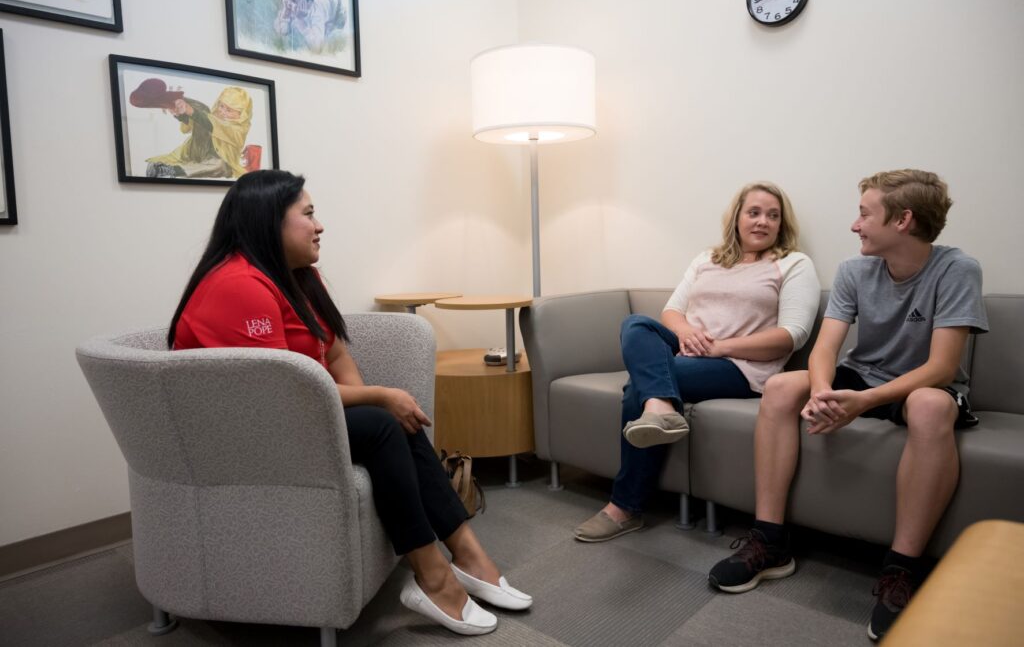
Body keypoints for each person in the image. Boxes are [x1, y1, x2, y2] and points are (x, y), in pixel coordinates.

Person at [168, 170, 531, 636]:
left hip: (286, 415)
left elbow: (335, 354)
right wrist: (379, 398)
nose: (319, 226)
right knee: (384, 423)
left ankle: (468, 556)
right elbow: (282, 390)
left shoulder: (297, 276)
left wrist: (372, 402)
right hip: (237, 435)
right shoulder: (237, 284)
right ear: (268, 222)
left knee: (395, 422)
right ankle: (435, 577)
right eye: (308, 214)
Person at [707, 169, 988, 642]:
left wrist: (864, 402)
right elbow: (824, 350)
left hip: (920, 385)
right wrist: (822, 392)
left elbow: (942, 367)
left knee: (929, 408)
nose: (855, 225)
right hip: (861, 377)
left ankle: (902, 569)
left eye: (864, 214)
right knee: (779, 389)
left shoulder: (957, 268)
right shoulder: (855, 271)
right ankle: (770, 541)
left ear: (902, 220)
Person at [574, 182, 820, 542]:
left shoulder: (793, 264)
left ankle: (625, 506)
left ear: (782, 224)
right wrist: (687, 333)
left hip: (741, 367)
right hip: (691, 350)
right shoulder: (708, 259)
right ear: (737, 217)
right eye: (754, 212)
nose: (762, 221)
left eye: (773, 215)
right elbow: (672, 311)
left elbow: (792, 335)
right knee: (636, 324)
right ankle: (660, 406)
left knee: (636, 386)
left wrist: (720, 347)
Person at [145, 86, 252, 179]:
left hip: (216, 161)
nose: (222, 111)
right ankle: (172, 99)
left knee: (220, 165)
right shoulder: (212, 116)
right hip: (196, 152)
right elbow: (195, 123)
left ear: (241, 114)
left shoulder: (239, 129)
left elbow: (212, 124)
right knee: (202, 109)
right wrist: (178, 107)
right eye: (221, 106)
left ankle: (170, 170)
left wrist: (190, 110)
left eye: (229, 110)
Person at [274, 0, 346, 53]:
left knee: (331, 34)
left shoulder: (316, 11)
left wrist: (300, 20)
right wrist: (285, 14)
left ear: (308, 4)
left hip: (334, 2)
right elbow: (281, 32)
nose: (288, 3)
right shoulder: (290, 3)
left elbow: (317, 47)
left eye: (293, 0)